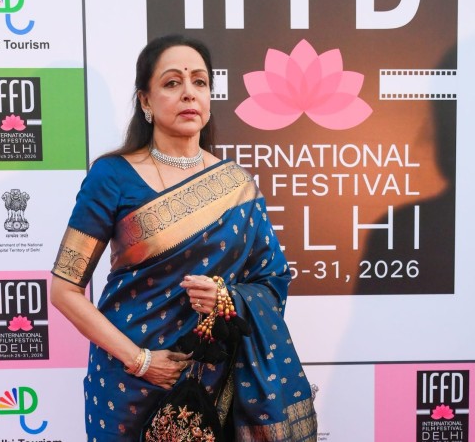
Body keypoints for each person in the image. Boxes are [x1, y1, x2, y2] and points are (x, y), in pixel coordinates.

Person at [51, 34, 317, 441]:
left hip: (213, 383)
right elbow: (64, 290)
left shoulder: (238, 186)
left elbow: (273, 280)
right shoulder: (112, 176)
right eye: (172, 82)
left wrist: (227, 297)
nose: (189, 93)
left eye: (200, 82)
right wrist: (141, 361)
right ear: (145, 101)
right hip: (127, 382)